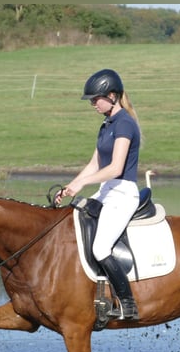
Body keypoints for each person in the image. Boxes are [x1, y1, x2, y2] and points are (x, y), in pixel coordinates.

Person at [55, 68, 142, 321]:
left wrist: (82, 185)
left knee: (101, 247)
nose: (93, 104)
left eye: (96, 98)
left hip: (123, 193)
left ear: (112, 95)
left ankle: (127, 303)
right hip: (106, 190)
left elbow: (115, 168)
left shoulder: (125, 123)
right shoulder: (106, 124)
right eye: (91, 100)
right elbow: (94, 164)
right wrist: (70, 186)